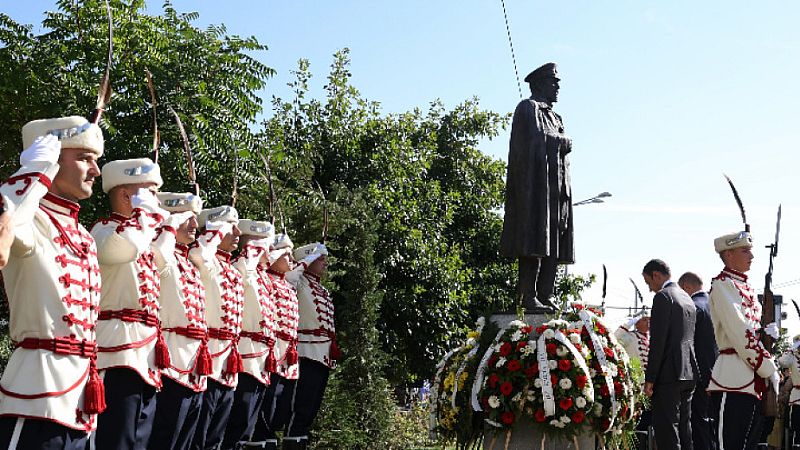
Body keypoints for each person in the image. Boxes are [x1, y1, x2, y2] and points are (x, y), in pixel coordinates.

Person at [0, 116, 104, 449]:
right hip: (36, 394)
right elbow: (6, 227)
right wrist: (35, 170)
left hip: (80, 397)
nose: (95, 170)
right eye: (85, 158)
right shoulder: (30, 219)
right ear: (53, 159)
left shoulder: (84, 236)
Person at [90, 158, 168, 449]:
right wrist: (143, 214)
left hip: (144, 354)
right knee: (116, 439)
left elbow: (164, 261)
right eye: (151, 193)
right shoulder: (104, 232)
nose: (157, 201)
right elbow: (129, 246)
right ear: (126, 195)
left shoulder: (141, 236)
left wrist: (165, 226)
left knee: (138, 441)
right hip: (117, 352)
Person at [500, 62, 574, 310]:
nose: (557, 88)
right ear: (541, 84)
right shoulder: (528, 108)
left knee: (554, 241)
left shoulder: (555, 117)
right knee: (534, 241)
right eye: (553, 83)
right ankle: (528, 296)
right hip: (536, 191)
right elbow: (533, 140)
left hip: (557, 190)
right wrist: (562, 140)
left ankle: (546, 294)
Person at [148, 192, 210, 450]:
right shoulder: (160, 252)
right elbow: (159, 257)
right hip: (171, 360)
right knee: (165, 438)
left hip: (193, 362)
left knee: (185, 439)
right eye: (188, 218)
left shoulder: (188, 262)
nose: (195, 225)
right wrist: (170, 224)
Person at [707, 231, 779, 450]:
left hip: (752, 382)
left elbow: (751, 331)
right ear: (728, 254)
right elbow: (740, 333)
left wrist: (767, 334)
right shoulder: (723, 285)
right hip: (732, 380)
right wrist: (768, 367)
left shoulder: (746, 288)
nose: (751, 256)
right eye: (745, 251)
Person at [189, 205, 245, 450]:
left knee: (216, 437)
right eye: (231, 227)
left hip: (228, 361)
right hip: (209, 359)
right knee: (199, 436)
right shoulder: (205, 259)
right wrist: (217, 229)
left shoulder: (231, 269)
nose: (238, 233)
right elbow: (200, 254)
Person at [222, 219, 277, 450]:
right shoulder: (241, 268)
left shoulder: (262, 276)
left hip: (261, 359)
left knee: (246, 426)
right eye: (265, 244)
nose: (271, 249)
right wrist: (252, 253)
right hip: (246, 357)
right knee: (236, 422)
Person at [282, 242, 339, 450]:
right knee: (299, 410)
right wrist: (306, 260)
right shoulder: (300, 282)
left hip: (323, 356)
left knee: (309, 413)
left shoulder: (322, 289)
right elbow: (290, 276)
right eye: (321, 259)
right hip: (306, 354)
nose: (326, 263)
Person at [250, 233, 303, 450]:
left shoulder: (286, 284)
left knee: (280, 409)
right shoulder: (267, 281)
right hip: (273, 352)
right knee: (266, 408)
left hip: (288, 354)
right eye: (286, 255)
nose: (291, 260)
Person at [642, 259, 697, 450]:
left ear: (656, 275)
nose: (650, 288)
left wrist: (650, 378)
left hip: (669, 372)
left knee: (667, 431)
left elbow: (658, 341)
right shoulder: (687, 298)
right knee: (684, 428)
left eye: (649, 282)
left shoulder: (663, 297)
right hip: (689, 371)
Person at [679, 271, 719, 450]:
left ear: (687, 286)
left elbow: (686, 344)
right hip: (718, 375)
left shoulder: (692, 307)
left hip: (697, 376)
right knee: (713, 424)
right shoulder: (715, 306)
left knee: (698, 424)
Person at [614, 308, 651, 449]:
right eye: (644, 320)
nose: (648, 323)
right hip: (635, 388)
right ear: (637, 323)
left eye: (649, 320)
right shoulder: (630, 337)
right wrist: (627, 325)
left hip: (650, 390)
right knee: (633, 423)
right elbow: (615, 339)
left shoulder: (652, 339)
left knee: (648, 423)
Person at [778, 337, 800, 448]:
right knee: (797, 428)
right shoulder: (793, 359)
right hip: (797, 398)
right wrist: (793, 348)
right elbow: (783, 361)